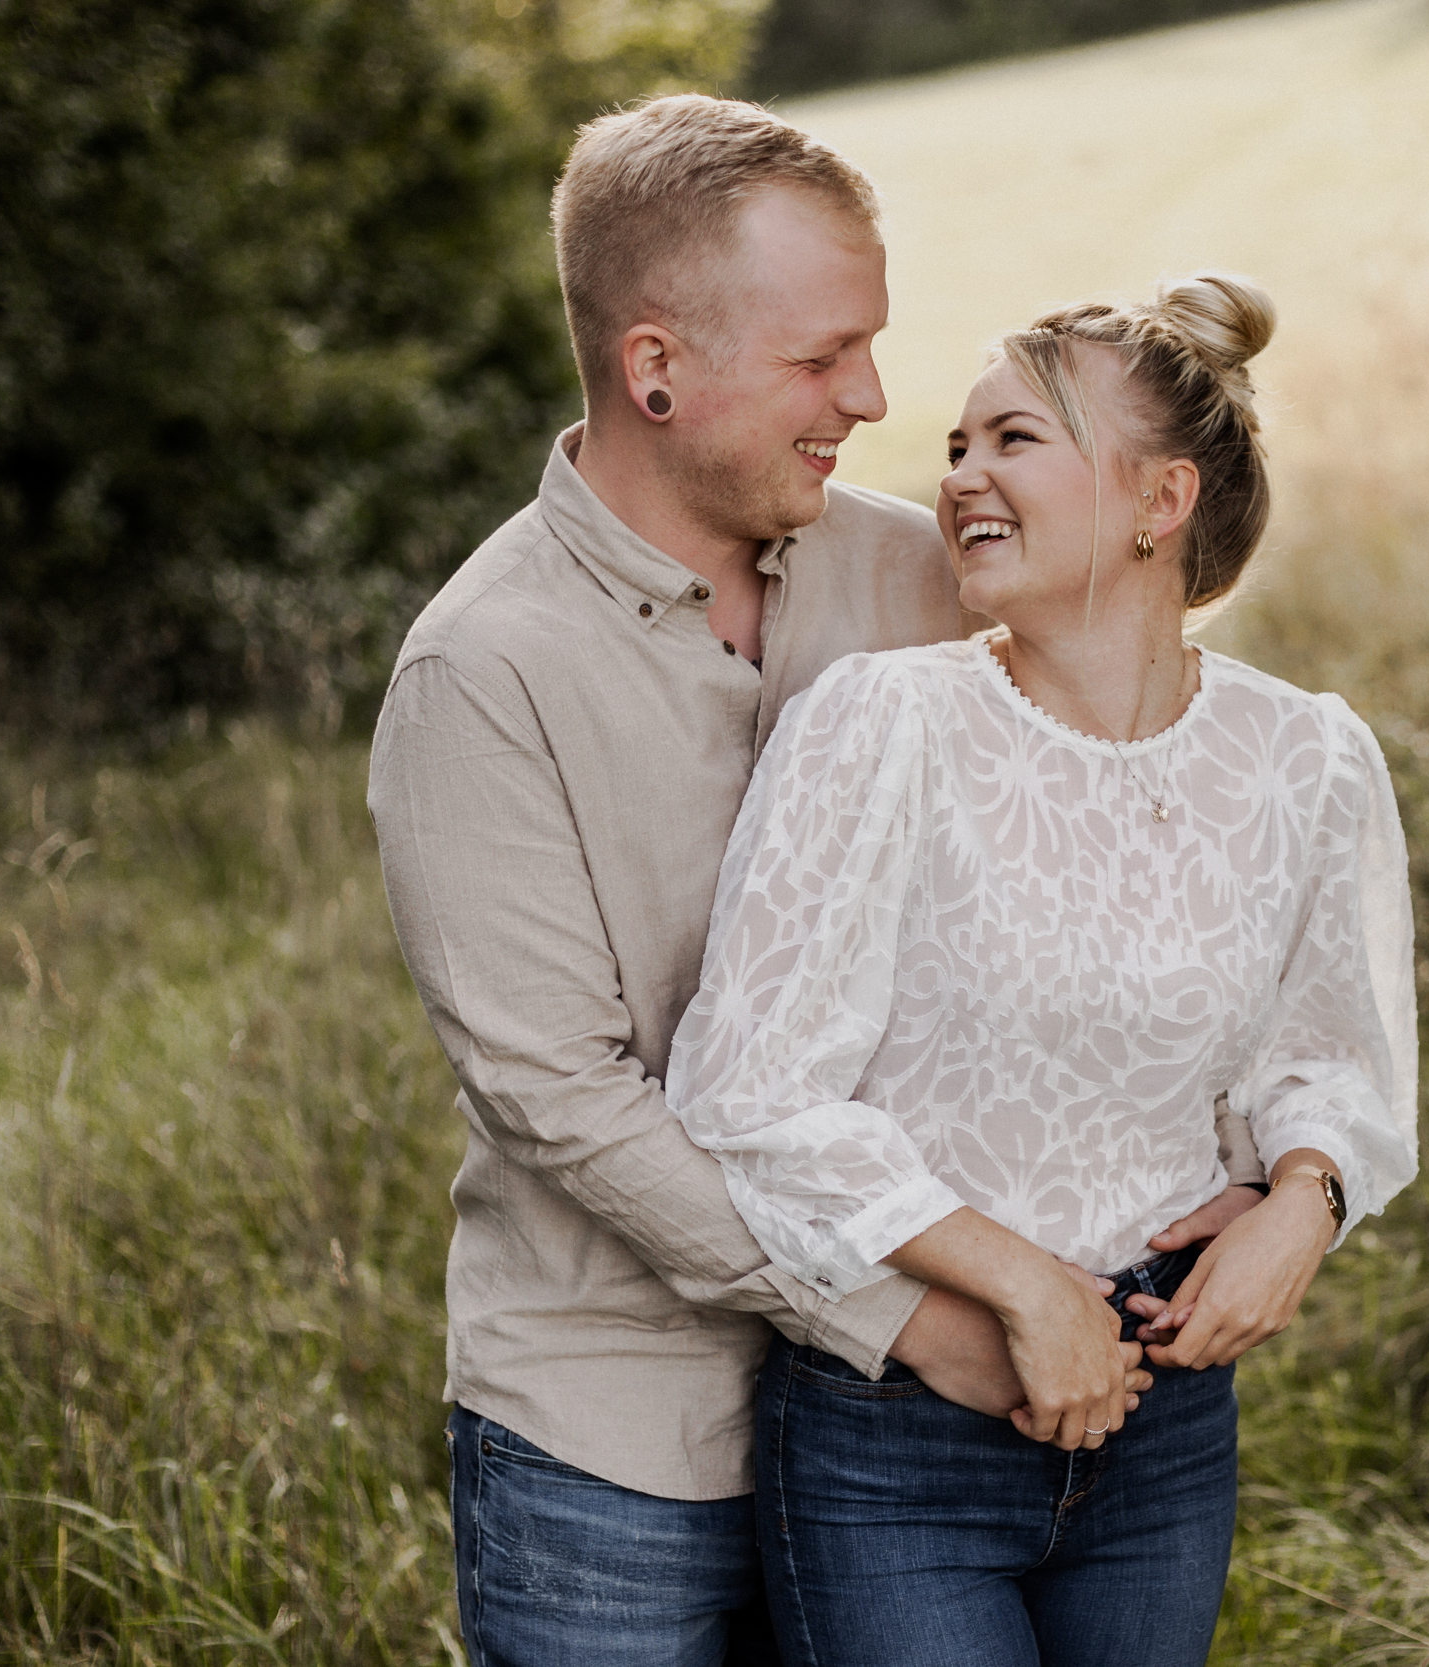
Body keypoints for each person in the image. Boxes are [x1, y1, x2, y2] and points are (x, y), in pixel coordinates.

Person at [367, 97, 1265, 1667]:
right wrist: (907, 1322)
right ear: (657, 371)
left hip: (909, 1447)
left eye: (874, 344)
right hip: (623, 1451)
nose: (871, 395)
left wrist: (1270, 1162)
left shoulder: (924, 571)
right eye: (820, 357)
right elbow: (561, 1095)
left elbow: (1157, 816)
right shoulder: (482, 674)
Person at [666, 272, 1421, 1667]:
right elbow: (748, 1088)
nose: (960, 478)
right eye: (956, 448)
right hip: (903, 1434)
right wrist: (1022, 1288)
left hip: (1169, 1424)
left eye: (1013, 439)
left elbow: (1338, 1055)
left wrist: (1305, 1201)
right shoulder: (888, 723)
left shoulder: (1306, 756)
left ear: (1161, 501)